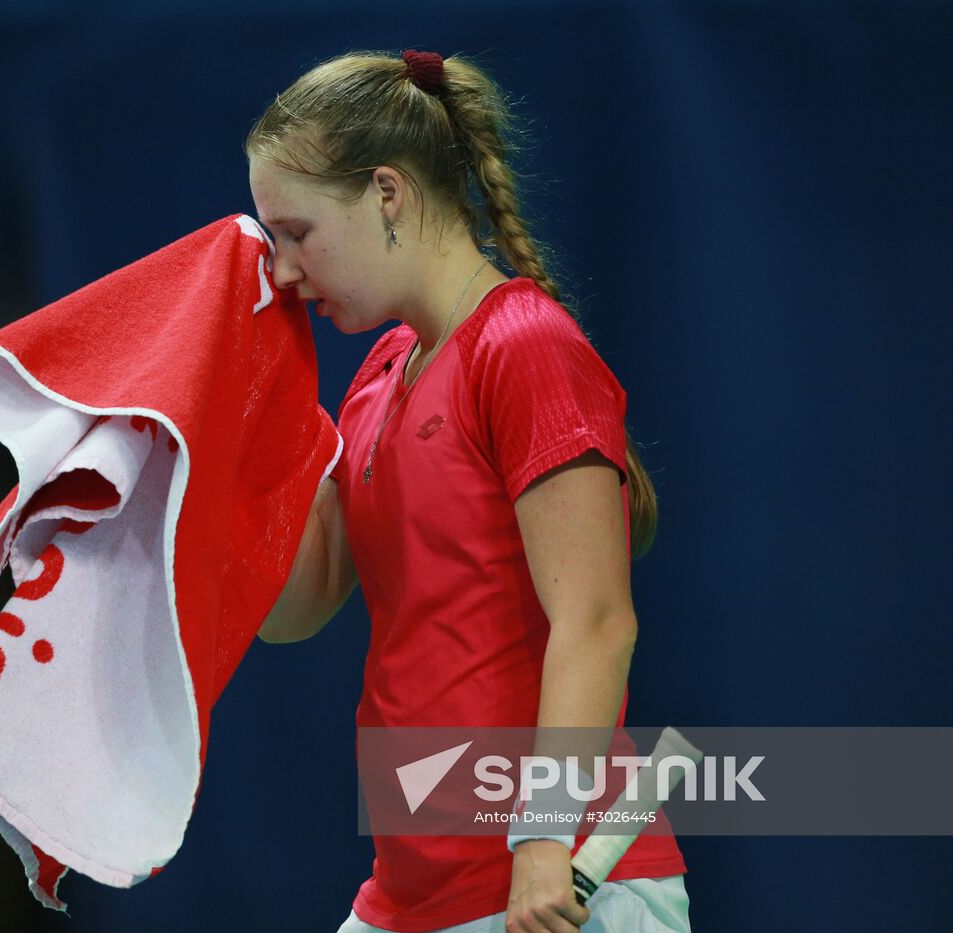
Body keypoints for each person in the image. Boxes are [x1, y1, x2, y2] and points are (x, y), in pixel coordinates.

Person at [247, 49, 690, 933]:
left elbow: (598, 621)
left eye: (297, 233)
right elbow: (288, 611)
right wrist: (238, 426)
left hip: (549, 887)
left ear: (387, 193)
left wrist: (540, 841)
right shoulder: (377, 372)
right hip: (411, 896)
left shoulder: (524, 345)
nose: (285, 270)